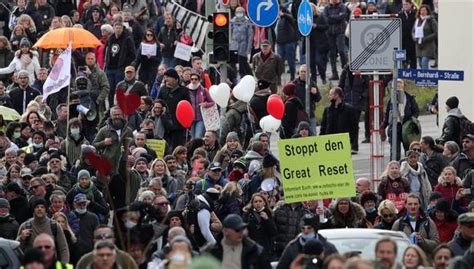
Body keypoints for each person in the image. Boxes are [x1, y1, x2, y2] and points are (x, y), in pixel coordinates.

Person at [17, 198, 70, 263]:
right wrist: (21, 238)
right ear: (33, 210)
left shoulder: (54, 226)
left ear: (46, 210)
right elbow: (16, 250)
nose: (39, 209)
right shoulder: (25, 226)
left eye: (42, 207)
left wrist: (64, 265)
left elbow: (63, 248)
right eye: (37, 207)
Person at [381, 79, 419, 160]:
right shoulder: (391, 100)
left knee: (408, 150)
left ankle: (408, 165)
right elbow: (387, 115)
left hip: (407, 127)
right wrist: (383, 127)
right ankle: (394, 166)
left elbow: (416, 111)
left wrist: (411, 122)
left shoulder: (409, 98)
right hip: (394, 126)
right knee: (394, 151)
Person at [93, 106, 133, 173]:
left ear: (122, 115)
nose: (117, 117)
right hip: (108, 164)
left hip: (124, 164)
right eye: (115, 115)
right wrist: (104, 143)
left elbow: (133, 143)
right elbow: (94, 144)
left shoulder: (128, 130)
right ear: (111, 116)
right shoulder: (104, 130)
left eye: (119, 114)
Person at [157, 68, 191, 148]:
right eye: (165, 77)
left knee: (177, 147)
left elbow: (188, 106)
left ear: (175, 79)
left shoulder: (184, 90)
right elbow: (158, 103)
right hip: (165, 124)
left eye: (169, 77)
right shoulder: (163, 90)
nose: (166, 79)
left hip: (178, 125)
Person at [104, 21, 136, 105]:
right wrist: (106, 63)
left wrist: (124, 64)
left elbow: (133, 54)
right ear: (113, 29)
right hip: (110, 68)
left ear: (122, 29)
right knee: (110, 89)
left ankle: (120, 105)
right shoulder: (110, 38)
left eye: (119, 28)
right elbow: (106, 51)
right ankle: (110, 107)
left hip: (120, 69)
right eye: (116, 28)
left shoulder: (127, 39)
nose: (118, 30)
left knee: (119, 89)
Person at [320, 87, 358, 154]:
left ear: (337, 95)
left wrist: (353, 144)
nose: (329, 97)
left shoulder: (349, 109)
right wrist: (321, 141)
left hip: (343, 142)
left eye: (330, 95)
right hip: (329, 142)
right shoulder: (327, 110)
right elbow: (323, 127)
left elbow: (354, 128)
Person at [293, 65, 321, 134]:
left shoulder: (312, 83)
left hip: (310, 114)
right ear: (299, 73)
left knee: (313, 134)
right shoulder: (294, 84)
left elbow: (318, 99)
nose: (303, 73)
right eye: (301, 72)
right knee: (298, 135)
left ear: (308, 73)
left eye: (305, 72)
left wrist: (315, 93)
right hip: (298, 115)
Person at [324, 0, 348, 80]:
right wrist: (336, 17)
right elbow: (326, 19)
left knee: (341, 51)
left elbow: (342, 17)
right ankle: (334, 73)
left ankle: (345, 71)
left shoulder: (342, 6)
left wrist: (331, 17)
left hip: (340, 32)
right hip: (330, 33)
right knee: (332, 53)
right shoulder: (326, 8)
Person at [230, 7, 253, 77]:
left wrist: (248, 50)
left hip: (243, 45)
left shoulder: (247, 22)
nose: (239, 13)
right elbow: (228, 32)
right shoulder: (232, 21)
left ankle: (248, 76)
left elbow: (250, 36)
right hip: (234, 45)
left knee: (243, 63)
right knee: (232, 64)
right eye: (237, 12)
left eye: (240, 12)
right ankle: (233, 78)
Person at [412, 4, 438, 69]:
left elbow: (436, 33)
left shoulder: (431, 20)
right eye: (421, 10)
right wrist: (414, 38)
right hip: (419, 45)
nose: (423, 12)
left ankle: (426, 78)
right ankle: (426, 76)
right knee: (420, 63)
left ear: (427, 11)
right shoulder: (417, 20)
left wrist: (426, 38)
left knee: (424, 62)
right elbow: (413, 31)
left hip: (428, 45)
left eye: (424, 10)